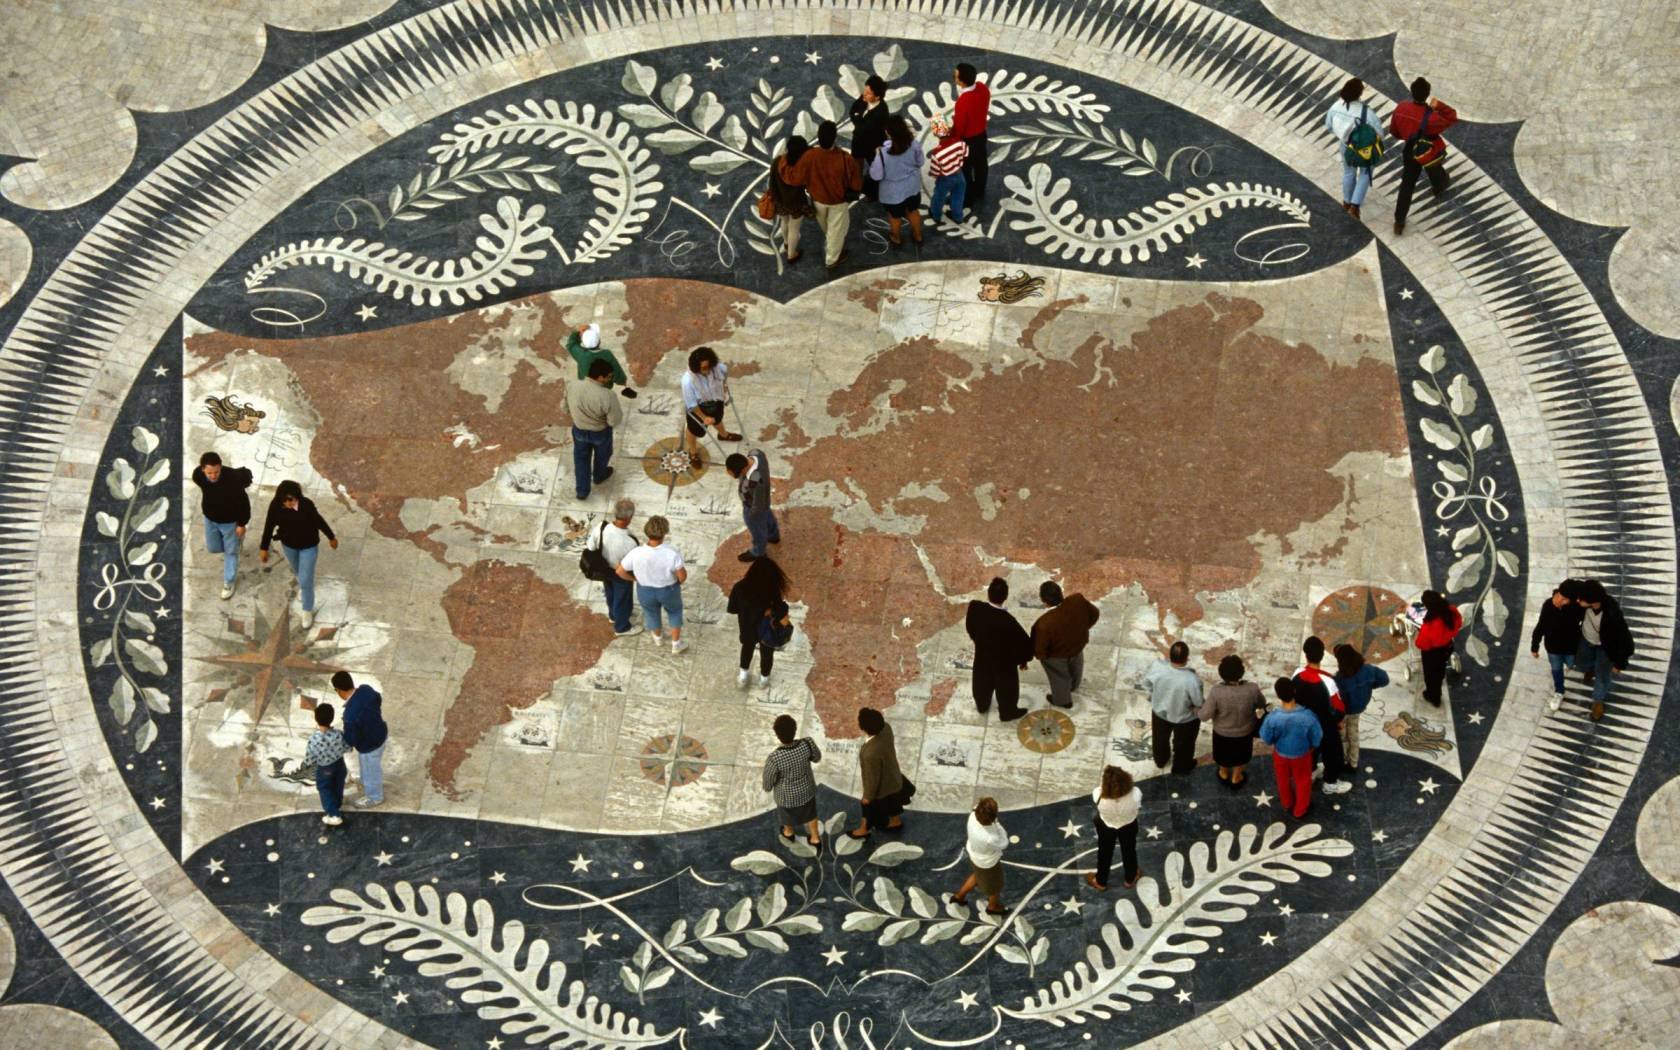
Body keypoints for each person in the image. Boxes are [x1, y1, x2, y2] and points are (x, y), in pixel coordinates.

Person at [782, 119, 863, 269]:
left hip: (817, 200)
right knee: (837, 230)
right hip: (838, 202)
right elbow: (856, 183)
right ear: (835, 138)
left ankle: (833, 245)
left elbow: (795, 178)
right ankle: (831, 260)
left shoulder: (809, 156)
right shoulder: (846, 159)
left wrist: (782, 161)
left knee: (828, 227)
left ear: (818, 137)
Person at [258, 479, 337, 628]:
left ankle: (307, 609)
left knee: (306, 580)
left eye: (292, 500)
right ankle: (304, 587)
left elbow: (319, 521)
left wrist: (331, 536)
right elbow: (269, 526)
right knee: (298, 572)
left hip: (309, 546)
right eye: (285, 500)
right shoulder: (275, 506)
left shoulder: (306, 504)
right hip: (289, 546)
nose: (289, 503)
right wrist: (264, 547)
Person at [1389, 76, 1456, 235]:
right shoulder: (1432, 117)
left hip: (1410, 151)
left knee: (1407, 185)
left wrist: (1407, 136)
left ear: (1411, 92)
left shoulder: (1401, 108)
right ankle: (1439, 187)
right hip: (1429, 151)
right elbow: (1452, 116)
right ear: (1427, 94)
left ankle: (1399, 221)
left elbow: (1394, 131)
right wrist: (1438, 105)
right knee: (1435, 169)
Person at [616, 515, 689, 654]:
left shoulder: (636, 552)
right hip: (668, 590)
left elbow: (620, 571)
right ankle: (676, 644)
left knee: (651, 613)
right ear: (664, 532)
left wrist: (635, 579)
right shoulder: (671, 553)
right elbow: (682, 576)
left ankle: (658, 638)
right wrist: (677, 583)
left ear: (646, 532)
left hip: (645, 590)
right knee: (674, 612)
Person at [964, 577, 1033, 721]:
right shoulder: (1009, 622)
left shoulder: (975, 607)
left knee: (981, 681)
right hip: (1004, 662)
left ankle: (982, 705)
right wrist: (1023, 661)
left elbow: (970, 626)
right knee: (1007, 687)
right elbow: (1025, 646)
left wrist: (976, 639)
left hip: (983, 656)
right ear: (1006, 597)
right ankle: (1007, 712)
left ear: (988, 593)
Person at [1293, 637, 1351, 795]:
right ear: (1322, 655)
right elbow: (1339, 709)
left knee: (1310, 750)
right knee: (1333, 753)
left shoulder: (1297, 674)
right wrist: (1337, 722)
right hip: (1324, 725)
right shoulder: (1328, 681)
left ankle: (1311, 772)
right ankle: (1330, 783)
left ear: (1306, 655)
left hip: (1304, 724)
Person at [192, 451, 252, 600]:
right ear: (202, 469)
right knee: (213, 548)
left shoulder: (233, 480)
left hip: (230, 522)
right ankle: (236, 543)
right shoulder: (198, 476)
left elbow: (244, 503)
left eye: (216, 472)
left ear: (221, 467)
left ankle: (228, 582)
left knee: (230, 552)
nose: (213, 476)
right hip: (210, 519)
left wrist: (242, 524)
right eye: (209, 473)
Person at [1258, 678, 1322, 819]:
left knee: (1283, 779)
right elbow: (1317, 738)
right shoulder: (1308, 716)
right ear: (1294, 691)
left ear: (1278, 695)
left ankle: (1287, 803)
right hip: (1301, 755)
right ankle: (1300, 810)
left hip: (1280, 754)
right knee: (1303, 782)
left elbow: (1266, 738)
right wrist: (1312, 747)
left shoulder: (1272, 717)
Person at [1031, 581, 1099, 709]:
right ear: (1060, 593)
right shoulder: (1077, 600)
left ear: (1043, 600)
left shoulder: (1043, 623)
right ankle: (1073, 686)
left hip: (1057, 655)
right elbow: (1094, 613)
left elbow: (1039, 649)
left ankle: (1063, 701)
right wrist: (1083, 629)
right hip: (1078, 646)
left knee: (1059, 676)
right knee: (1076, 666)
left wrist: (1043, 657)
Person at [1197, 653, 1262, 787]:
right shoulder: (1252, 688)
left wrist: (1195, 709)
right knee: (1241, 757)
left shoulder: (1216, 691)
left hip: (1222, 734)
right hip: (1245, 732)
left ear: (1222, 673)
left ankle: (1224, 773)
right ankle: (1236, 777)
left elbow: (1204, 716)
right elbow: (1262, 703)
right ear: (1241, 672)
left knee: (1223, 757)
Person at [1575, 579, 1635, 723]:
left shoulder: (1612, 613)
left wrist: (1620, 663)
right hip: (1586, 639)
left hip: (1605, 647)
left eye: (1581, 599)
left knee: (1602, 674)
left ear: (1592, 601)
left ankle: (1598, 701)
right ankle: (1589, 669)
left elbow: (1624, 639)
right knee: (1581, 662)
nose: (1578, 601)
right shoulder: (1584, 605)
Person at [849, 707, 912, 838]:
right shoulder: (887, 728)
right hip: (893, 778)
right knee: (893, 803)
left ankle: (863, 829)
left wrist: (867, 796)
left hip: (882, 788)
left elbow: (872, 779)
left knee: (868, 808)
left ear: (863, 728)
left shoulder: (870, 753)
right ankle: (895, 822)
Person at [728, 555, 790, 687]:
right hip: (766, 629)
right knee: (767, 653)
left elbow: (733, 609)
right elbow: (779, 609)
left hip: (747, 627)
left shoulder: (739, 587)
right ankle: (764, 680)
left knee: (747, 648)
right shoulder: (772, 590)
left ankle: (743, 676)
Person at [1325, 76, 1382, 220]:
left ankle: (1346, 201)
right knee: (1365, 173)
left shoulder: (1335, 107)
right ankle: (1355, 206)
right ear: (1360, 94)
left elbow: (1329, 126)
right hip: (1365, 150)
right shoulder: (1367, 113)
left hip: (1346, 147)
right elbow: (1380, 133)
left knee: (1348, 173)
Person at [567, 358, 623, 500]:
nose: (609, 379)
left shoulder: (572, 385)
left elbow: (564, 407)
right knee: (603, 456)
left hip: (579, 430)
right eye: (608, 377)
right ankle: (599, 476)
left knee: (580, 459)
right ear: (600, 377)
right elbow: (614, 420)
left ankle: (582, 491)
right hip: (600, 433)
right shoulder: (608, 395)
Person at [761, 715, 822, 846]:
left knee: (786, 816)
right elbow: (817, 758)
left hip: (786, 797)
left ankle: (789, 833)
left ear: (777, 735)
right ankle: (815, 838)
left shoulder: (775, 757)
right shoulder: (807, 743)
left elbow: (768, 782)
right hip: (807, 790)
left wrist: (767, 787)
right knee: (811, 814)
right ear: (795, 729)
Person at [1145, 641, 1203, 775]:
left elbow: (1147, 684)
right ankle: (1181, 766)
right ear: (1187, 658)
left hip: (1159, 713)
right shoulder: (1192, 680)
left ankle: (1160, 760)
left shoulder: (1157, 667)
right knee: (1184, 744)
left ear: (1169, 655)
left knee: (1159, 739)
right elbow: (1198, 702)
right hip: (1184, 718)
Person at [867, 114, 926, 248]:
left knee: (895, 217)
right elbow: (920, 162)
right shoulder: (914, 145)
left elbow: (876, 176)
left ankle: (896, 237)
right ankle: (918, 235)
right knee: (913, 211)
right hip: (912, 187)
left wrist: (876, 155)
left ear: (888, 132)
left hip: (892, 194)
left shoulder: (882, 153)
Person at [588, 499, 642, 637]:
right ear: (630, 518)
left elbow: (591, 546)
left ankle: (613, 615)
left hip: (604, 568)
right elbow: (634, 563)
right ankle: (622, 627)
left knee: (610, 593)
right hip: (620, 573)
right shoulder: (629, 542)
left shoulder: (601, 527)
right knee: (622, 598)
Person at [333, 671, 387, 808]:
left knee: (371, 770)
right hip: (380, 733)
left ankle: (375, 797)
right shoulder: (365, 689)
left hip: (369, 746)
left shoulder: (350, 715)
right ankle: (364, 779)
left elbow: (351, 739)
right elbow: (378, 698)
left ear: (338, 690)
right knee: (368, 767)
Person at [1531, 580, 1586, 711]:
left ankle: (1579, 667)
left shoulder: (1578, 608)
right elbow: (1541, 626)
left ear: (1572, 600)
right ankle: (1559, 691)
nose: (1558, 600)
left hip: (1571, 648)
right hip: (1553, 648)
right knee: (1556, 670)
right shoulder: (1548, 605)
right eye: (1559, 595)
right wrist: (1535, 646)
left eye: (1564, 599)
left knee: (1572, 664)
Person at [1085, 765, 1141, 892]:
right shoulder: (1135, 793)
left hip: (1106, 826)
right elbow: (1137, 806)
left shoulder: (1097, 794)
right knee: (1129, 851)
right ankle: (1130, 878)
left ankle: (1101, 881)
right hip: (1128, 825)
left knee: (1104, 852)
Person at [1331, 644, 1388, 768]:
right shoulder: (1368, 670)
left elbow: (1335, 700)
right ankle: (1354, 762)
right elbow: (1385, 679)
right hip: (1358, 709)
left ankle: (1344, 760)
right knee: (1354, 735)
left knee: (1343, 737)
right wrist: (1370, 686)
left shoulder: (1339, 679)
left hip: (1343, 712)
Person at [952, 797, 1008, 915]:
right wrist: (997, 824)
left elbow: (977, 806)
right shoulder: (990, 837)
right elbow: (1004, 843)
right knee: (995, 887)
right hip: (987, 863)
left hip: (974, 854)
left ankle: (959, 896)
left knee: (978, 875)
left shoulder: (973, 815)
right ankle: (992, 907)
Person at [680, 346, 739, 457]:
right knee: (693, 430)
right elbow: (692, 405)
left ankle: (723, 435)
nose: (708, 371)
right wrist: (704, 418)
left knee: (717, 419)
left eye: (709, 366)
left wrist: (723, 386)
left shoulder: (718, 368)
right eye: (704, 368)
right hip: (699, 408)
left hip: (716, 400)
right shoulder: (687, 381)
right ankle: (693, 452)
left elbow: (723, 377)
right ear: (696, 368)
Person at [725, 448, 780, 562]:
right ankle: (774, 536)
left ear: (744, 469)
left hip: (753, 507)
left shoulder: (755, 482)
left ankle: (758, 552)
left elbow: (758, 506)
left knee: (758, 531)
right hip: (765, 502)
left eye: (736, 474)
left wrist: (751, 515)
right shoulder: (756, 453)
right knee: (767, 515)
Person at [951, 63, 991, 213]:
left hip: (968, 141)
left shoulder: (963, 101)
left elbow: (960, 127)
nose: (954, 78)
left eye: (956, 76)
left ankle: (966, 200)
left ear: (961, 81)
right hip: (981, 134)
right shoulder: (982, 88)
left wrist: (951, 138)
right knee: (981, 165)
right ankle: (979, 190)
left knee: (965, 171)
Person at [770, 135, 816, 264]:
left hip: (780, 200)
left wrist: (774, 197)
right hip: (796, 203)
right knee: (794, 228)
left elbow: (772, 182)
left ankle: (785, 243)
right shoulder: (801, 168)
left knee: (784, 222)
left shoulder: (777, 161)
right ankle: (791, 255)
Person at [305, 701, 351, 826]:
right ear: (332, 718)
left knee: (324, 788)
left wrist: (308, 763)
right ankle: (337, 804)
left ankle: (333, 815)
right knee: (338, 784)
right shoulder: (339, 734)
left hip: (325, 768)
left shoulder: (314, 739)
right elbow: (348, 748)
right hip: (340, 764)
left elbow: (309, 758)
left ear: (316, 719)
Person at [565, 322, 637, 398]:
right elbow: (616, 369)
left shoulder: (581, 355)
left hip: (586, 387)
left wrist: (577, 332)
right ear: (599, 341)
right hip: (604, 388)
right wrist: (622, 381)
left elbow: (571, 344)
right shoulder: (607, 354)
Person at [849, 74, 891, 201]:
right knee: (856, 167)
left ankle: (872, 193)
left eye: (868, 93)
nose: (863, 94)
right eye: (865, 90)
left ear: (877, 96)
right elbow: (852, 111)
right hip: (859, 142)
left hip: (873, 146)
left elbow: (862, 126)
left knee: (875, 171)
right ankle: (855, 188)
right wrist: (857, 118)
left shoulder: (881, 111)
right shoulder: (864, 98)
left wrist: (857, 118)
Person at [1415, 590, 1462, 707]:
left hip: (1432, 654)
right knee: (1439, 671)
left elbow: (1421, 644)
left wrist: (1420, 632)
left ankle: (1433, 696)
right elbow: (1459, 623)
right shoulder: (1451, 611)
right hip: (1447, 647)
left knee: (1430, 676)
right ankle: (1436, 689)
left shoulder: (1429, 625)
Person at [927, 117, 969, 225]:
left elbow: (935, 171)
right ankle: (958, 217)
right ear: (948, 129)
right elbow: (966, 153)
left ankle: (936, 215)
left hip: (945, 179)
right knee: (958, 196)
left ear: (935, 134)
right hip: (959, 175)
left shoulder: (937, 153)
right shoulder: (960, 143)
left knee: (939, 197)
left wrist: (934, 175)